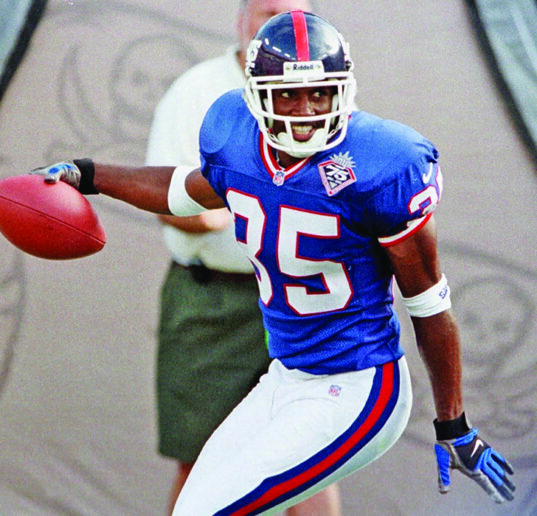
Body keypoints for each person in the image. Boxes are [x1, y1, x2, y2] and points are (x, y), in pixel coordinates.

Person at [32, 10, 515, 515]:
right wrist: (89, 175)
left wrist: (454, 424)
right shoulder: (237, 139)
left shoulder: (383, 162)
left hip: (358, 385)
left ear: (343, 91)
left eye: (319, 93)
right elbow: (182, 191)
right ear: (257, 94)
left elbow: (429, 304)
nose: (305, 110)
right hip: (286, 376)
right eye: (287, 94)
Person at [145, 1, 340, 514]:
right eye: (267, 12)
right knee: (201, 459)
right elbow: (167, 200)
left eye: (294, 14)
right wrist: (235, 207)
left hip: (305, 296)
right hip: (214, 300)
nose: (280, 26)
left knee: (314, 462)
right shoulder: (197, 91)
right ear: (241, 21)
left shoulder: (328, 94)